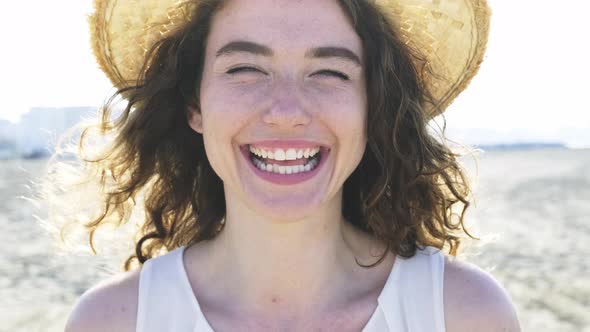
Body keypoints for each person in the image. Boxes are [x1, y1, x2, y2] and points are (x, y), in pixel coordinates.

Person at [57, 0, 521, 330]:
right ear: (194, 105)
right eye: (244, 69)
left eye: (329, 72)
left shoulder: (463, 315)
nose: (286, 111)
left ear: (372, 108)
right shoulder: (111, 322)